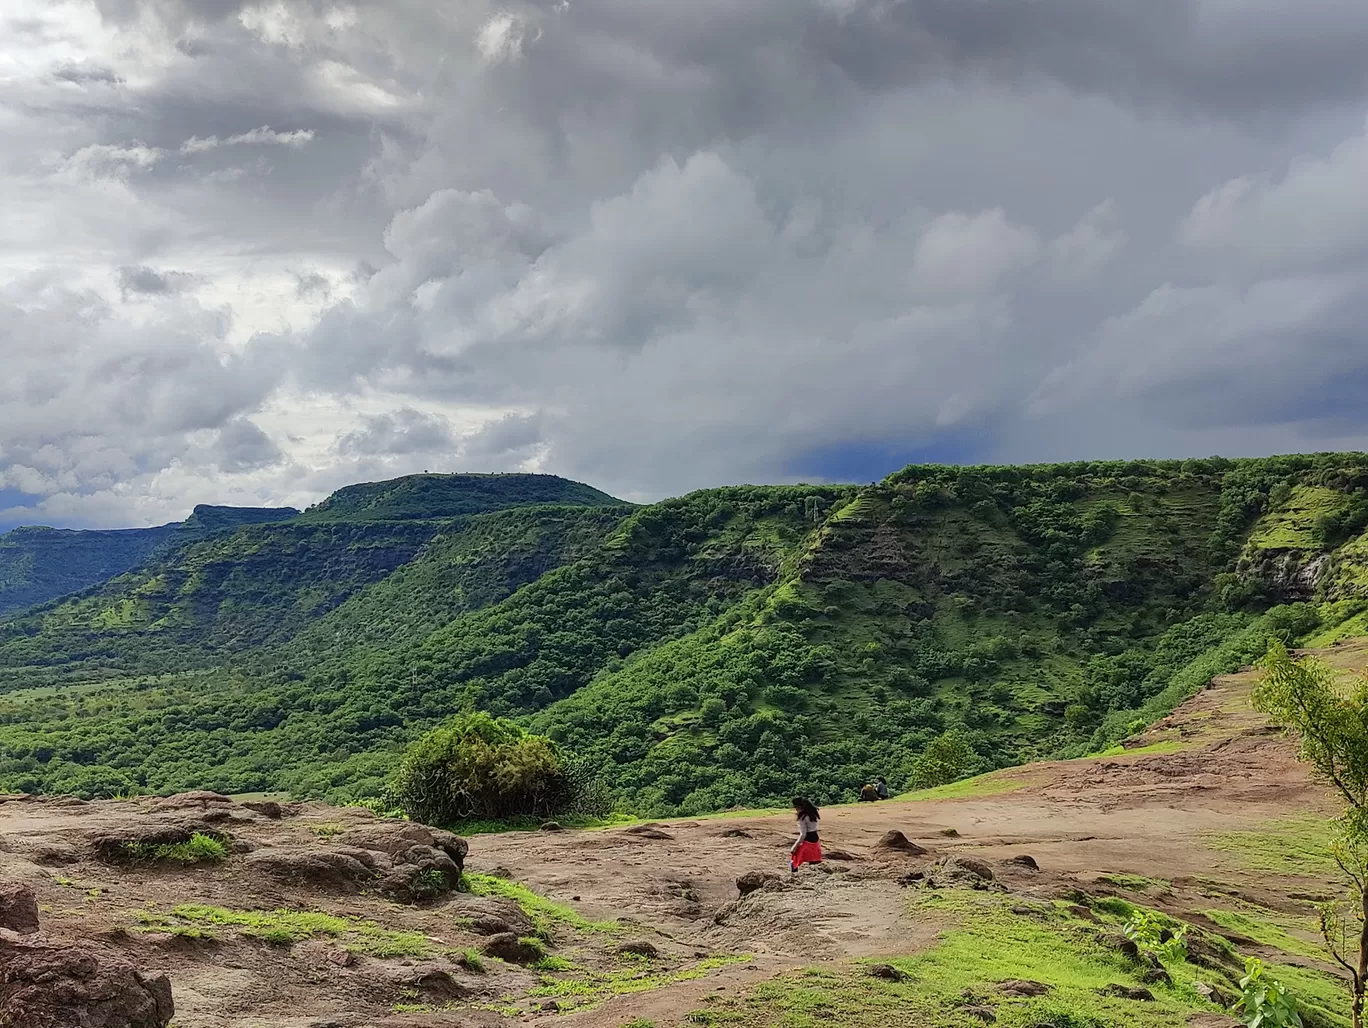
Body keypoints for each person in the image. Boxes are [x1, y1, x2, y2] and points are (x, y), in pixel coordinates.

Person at [790, 796, 823, 873]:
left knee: (794, 860)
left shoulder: (802, 818)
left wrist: (795, 846)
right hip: (815, 839)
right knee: (815, 861)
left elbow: (803, 834)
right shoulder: (813, 814)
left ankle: (794, 876)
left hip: (807, 840)